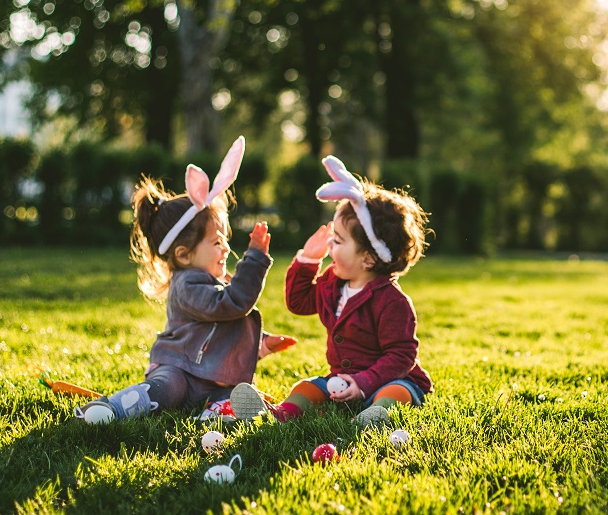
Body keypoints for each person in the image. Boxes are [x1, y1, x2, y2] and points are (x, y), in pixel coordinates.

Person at [76, 137, 288, 423]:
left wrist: (261, 342)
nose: (226, 247)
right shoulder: (187, 285)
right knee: (166, 391)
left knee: (231, 393)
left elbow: (223, 327)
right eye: (216, 241)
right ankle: (112, 408)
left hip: (212, 378)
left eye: (224, 238)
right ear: (184, 254)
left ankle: (220, 412)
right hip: (180, 370)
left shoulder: (210, 281)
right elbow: (233, 305)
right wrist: (254, 260)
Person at [228, 155, 432, 429]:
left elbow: (402, 356)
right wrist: (308, 261)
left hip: (389, 379)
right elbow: (298, 302)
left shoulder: (393, 302)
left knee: (396, 392)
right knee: (308, 386)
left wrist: (363, 383)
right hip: (341, 379)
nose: (330, 247)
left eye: (338, 241)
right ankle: (279, 414)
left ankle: (374, 416)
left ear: (369, 258)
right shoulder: (332, 282)